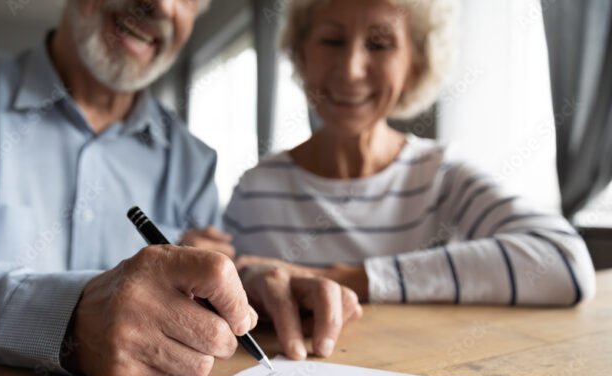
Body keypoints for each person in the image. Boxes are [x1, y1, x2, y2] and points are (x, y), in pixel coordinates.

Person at [0, 0, 361, 376]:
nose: (160, 4)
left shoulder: (192, 159)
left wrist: (246, 289)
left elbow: (195, 287)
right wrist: (67, 317)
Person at [225, 0, 596, 306]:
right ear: (302, 56)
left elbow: (565, 262)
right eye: (332, 41)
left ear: (414, 67)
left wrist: (351, 279)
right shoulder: (255, 188)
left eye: (380, 44)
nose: (351, 70)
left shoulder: (441, 175)